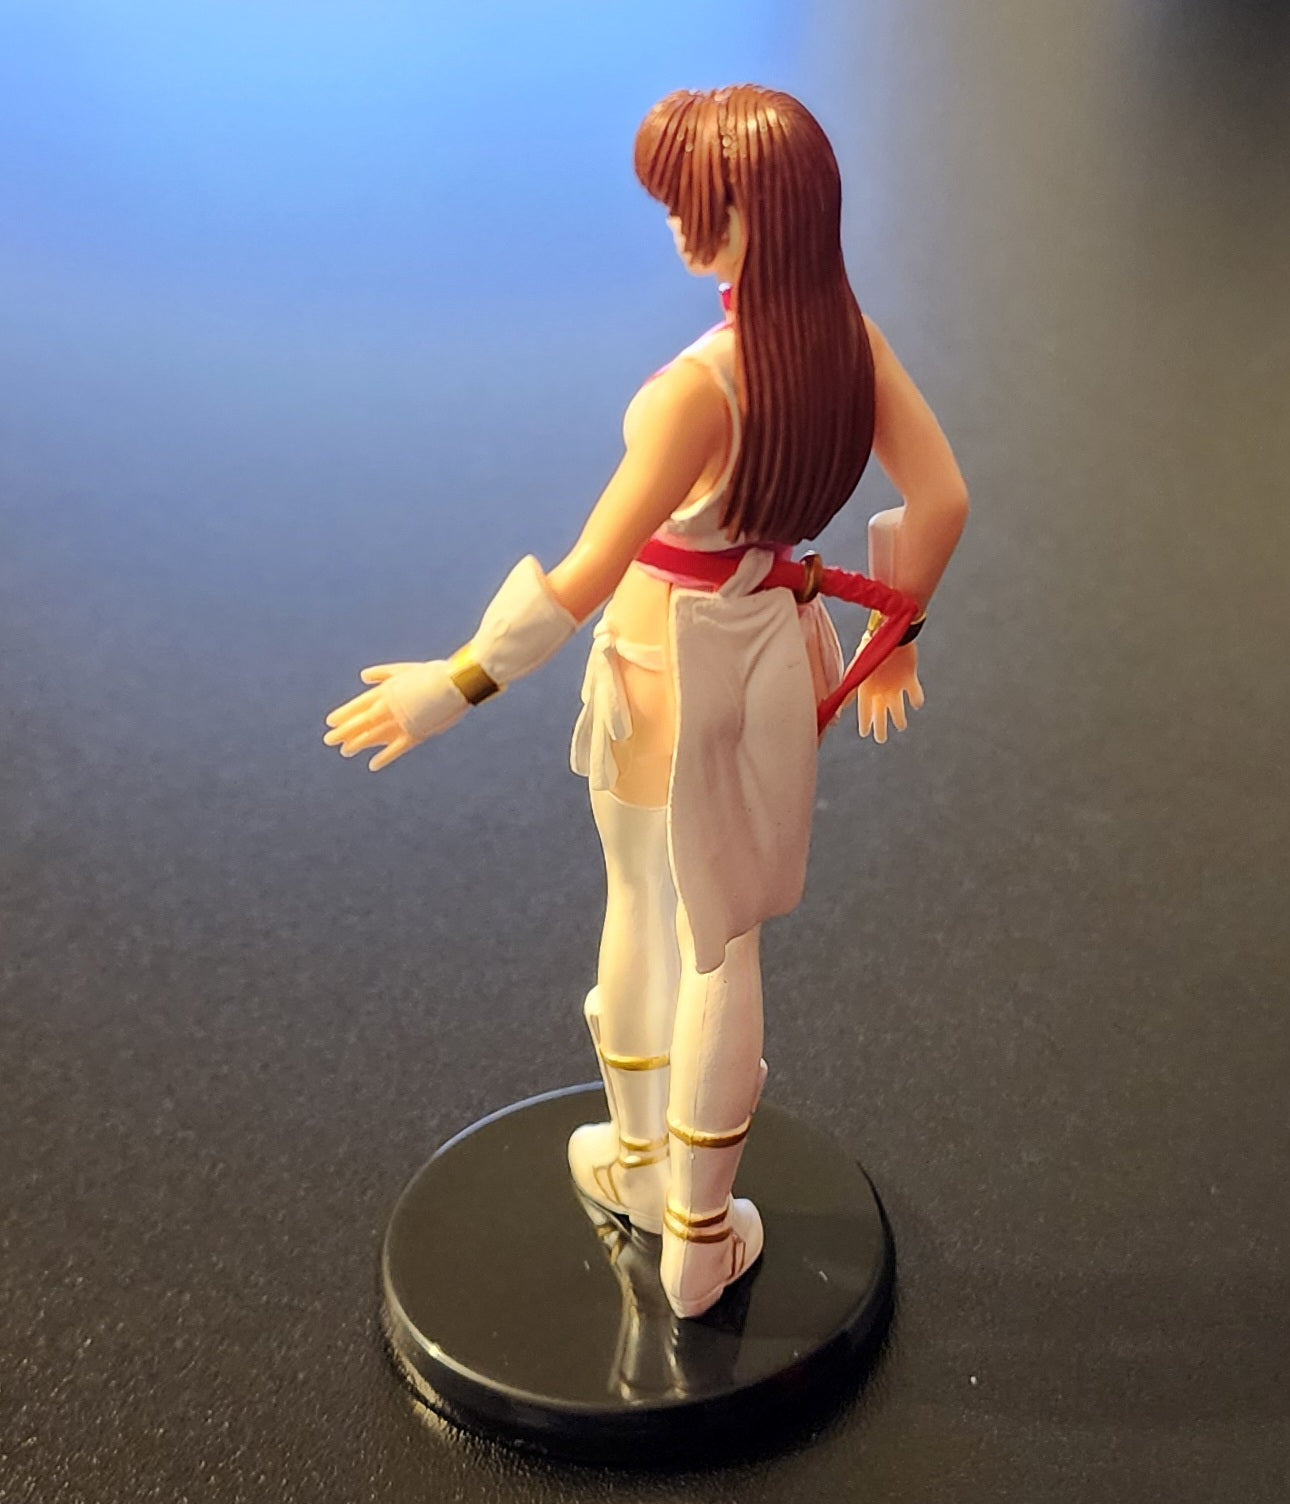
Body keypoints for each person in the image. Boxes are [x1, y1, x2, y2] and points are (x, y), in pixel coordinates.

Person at [324, 85, 968, 1319]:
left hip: (659, 654)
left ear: (765, 215)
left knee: (649, 904)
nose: (680, 228)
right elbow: (941, 500)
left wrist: (451, 685)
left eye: (701, 206)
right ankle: (696, 1228)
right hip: (767, 649)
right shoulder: (854, 345)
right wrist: (894, 640)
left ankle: (649, 1175)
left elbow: (583, 575)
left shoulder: (698, 391)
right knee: (725, 938)